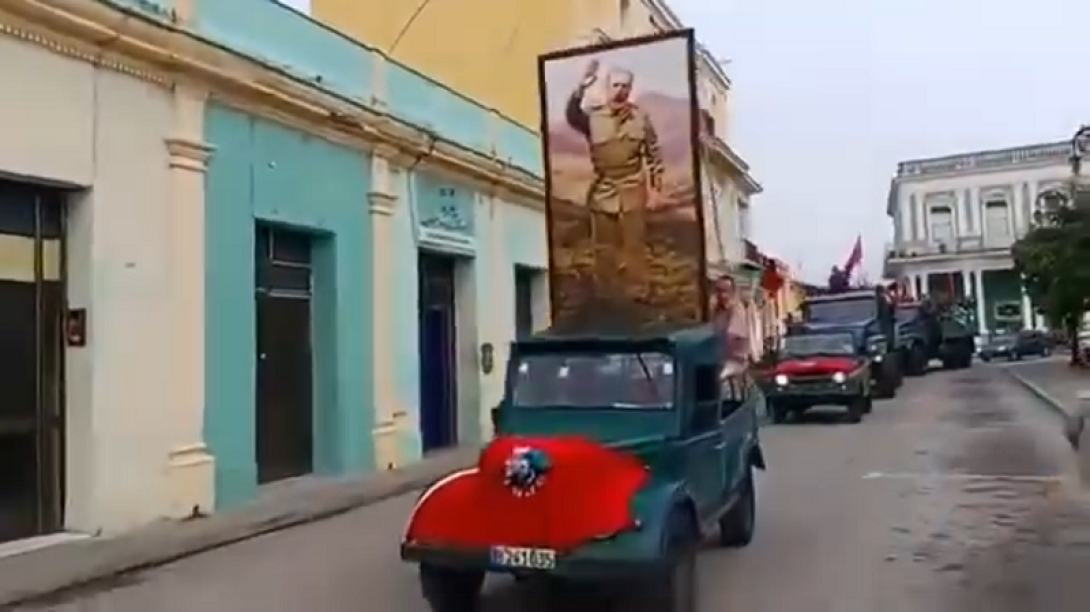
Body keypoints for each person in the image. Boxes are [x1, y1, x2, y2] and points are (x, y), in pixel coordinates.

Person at [564, 59, 665, 301]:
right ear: (608, 88)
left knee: (634, 244)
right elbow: (572, 116)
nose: (619, 90)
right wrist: (581, 87)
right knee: (603, 247)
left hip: (632, 187)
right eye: (615, 85)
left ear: (630, 90)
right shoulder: (593, 118)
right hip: (604, 188)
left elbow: (654, 155)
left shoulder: (641, 119)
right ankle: (605, 293)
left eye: (624, 86)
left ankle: (637, 292)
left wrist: (656, 190)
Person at [709, 275, 751, 378]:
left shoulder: (736, 309)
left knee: (717, 377)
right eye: (719, 291)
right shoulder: (716, 310)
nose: (722, 295)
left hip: (735, 361)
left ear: (732, 292)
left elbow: (730, 336)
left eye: (725, 291)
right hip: (720, 359)